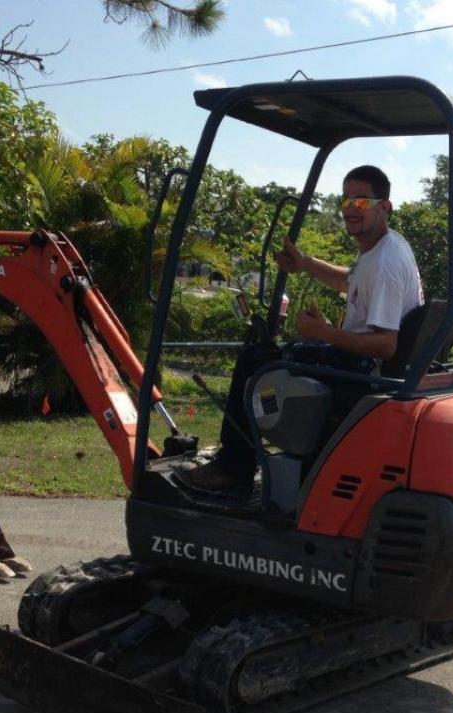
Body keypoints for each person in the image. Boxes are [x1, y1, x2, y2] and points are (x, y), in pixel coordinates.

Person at [176, 165, 423, 495]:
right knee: (273, 358)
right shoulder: (382, 250)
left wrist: (324, 333)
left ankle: (234, 470)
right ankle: (257, 455)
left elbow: (386, 346)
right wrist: (305, 263)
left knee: (259, 360)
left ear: (384, 207)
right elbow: (347, 281)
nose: (351, 209)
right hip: (365, 366)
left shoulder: (385, 263)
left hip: (365, 372)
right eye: (345, 201)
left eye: (361, 202)